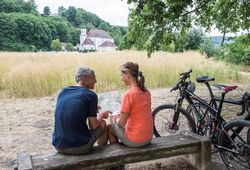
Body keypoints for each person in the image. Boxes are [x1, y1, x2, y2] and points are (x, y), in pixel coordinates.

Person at [52, 67, 110, 155]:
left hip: (58, 146)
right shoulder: (90, 95)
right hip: (79, 147)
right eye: (94, 77)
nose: (96, 81)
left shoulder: (63, 91)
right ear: (85, 78)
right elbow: (94, 126)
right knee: (103, 123)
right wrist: (100, 116)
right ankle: (102, 154)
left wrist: (90, 107)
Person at [108, 62, 153, 147]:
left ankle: (116, 153)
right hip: (148, 137)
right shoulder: (146, 92)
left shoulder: (128, 95)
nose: (121, 79)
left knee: (110, 126)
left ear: (127, 74)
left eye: (121, 75)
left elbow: (121, 124)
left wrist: (114, 117)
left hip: (135, 140)